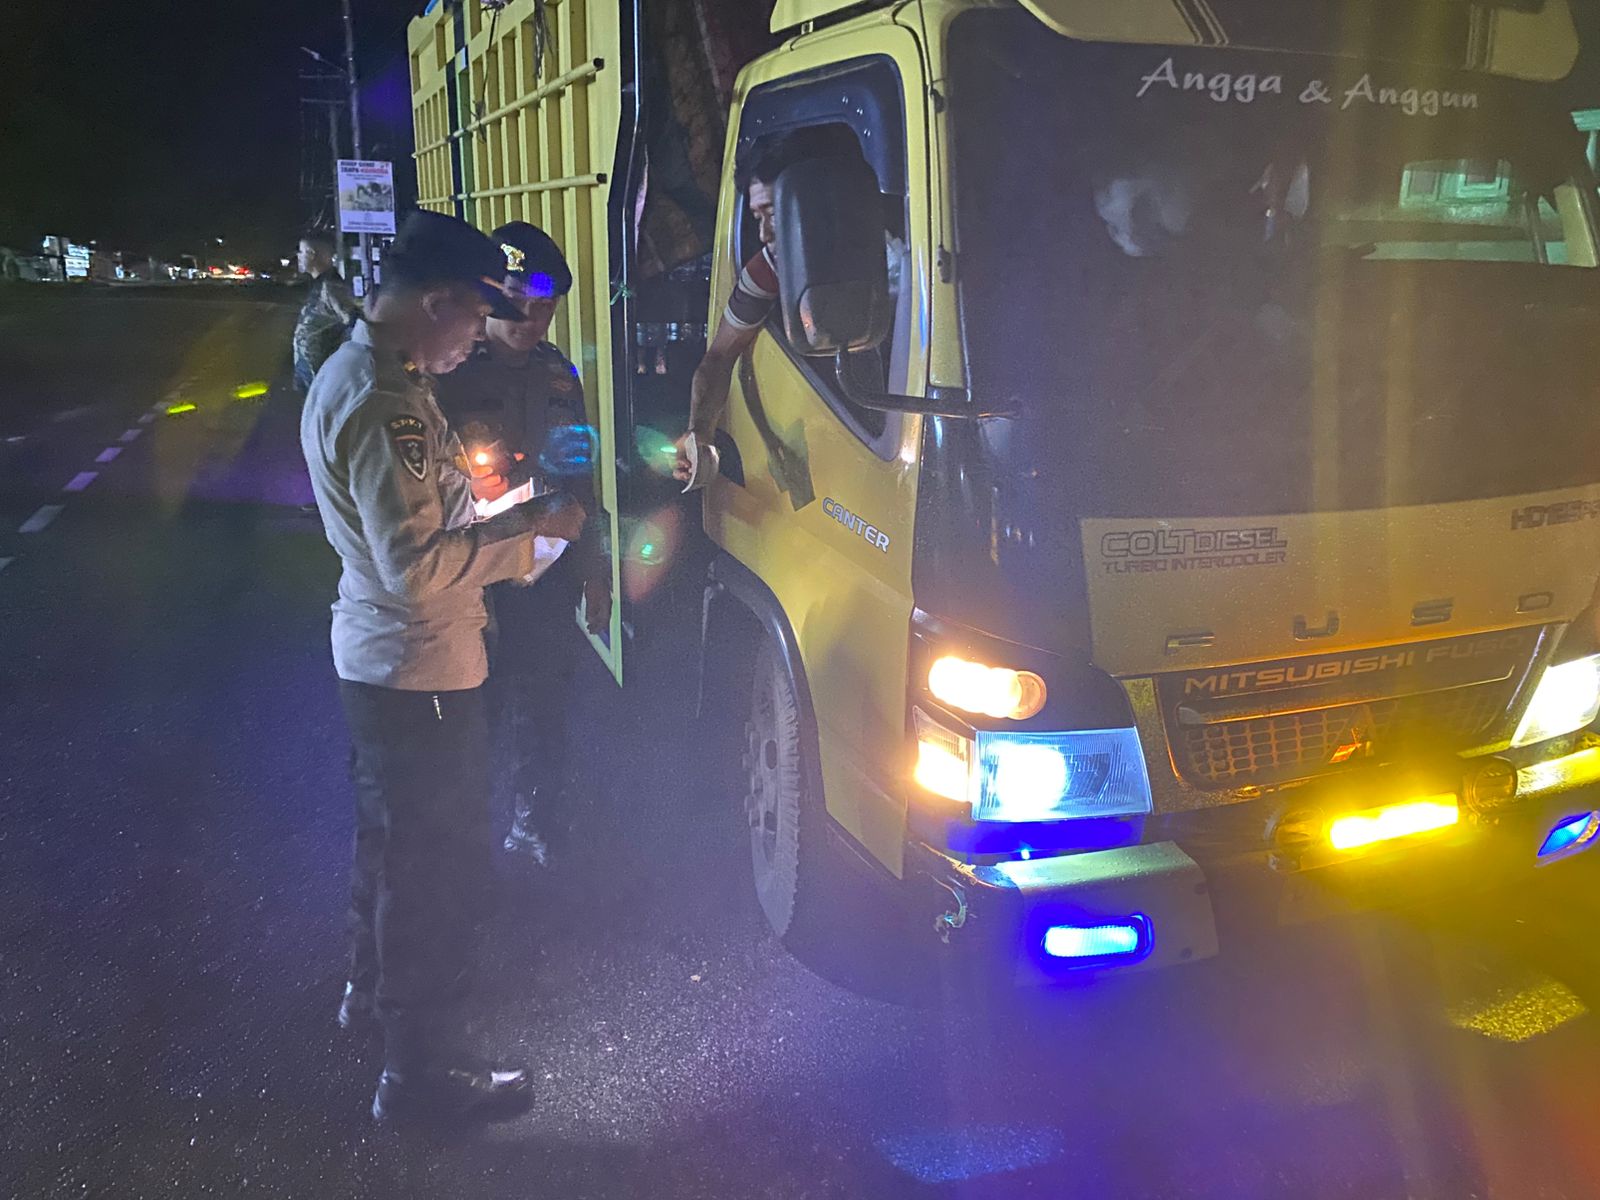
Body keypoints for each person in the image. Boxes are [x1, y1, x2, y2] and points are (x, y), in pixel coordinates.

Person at [300, 209, 586, 1125]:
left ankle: (372, 996)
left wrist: (499, 507)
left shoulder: (379, 375)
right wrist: (528, 532)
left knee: (394, 848)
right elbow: (417, 568)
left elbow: (432, 515)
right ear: (436, 303)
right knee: (435, 873)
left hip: (390, 662)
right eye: (475, 315)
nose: (479, 337)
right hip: (417, 666)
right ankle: (420, 1073)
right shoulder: (383, 401)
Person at [435, 221, 611, 866]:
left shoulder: (558, 372)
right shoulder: (448, 370)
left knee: (544, 704)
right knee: (467, 713)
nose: (532, 320)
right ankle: (461, 846)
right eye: (518, 303)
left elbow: (578, 476)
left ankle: (536, 824)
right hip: (468, 574)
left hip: (545, 570)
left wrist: (595, 569)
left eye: (546, 307)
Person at [672, 126, 888, 483]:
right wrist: (700, 433)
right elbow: (720, 356)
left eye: (773, 213)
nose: (765, 234)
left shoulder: (899, 250)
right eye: (758, 217)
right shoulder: (772, 265)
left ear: (814, 197)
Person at [292, 229, 358, 392]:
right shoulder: (320, 283)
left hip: (323, 379)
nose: (298, 256)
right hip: (313, 376)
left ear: (311, 254)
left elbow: (356, 323)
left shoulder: (331, 286)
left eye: (301, 252)